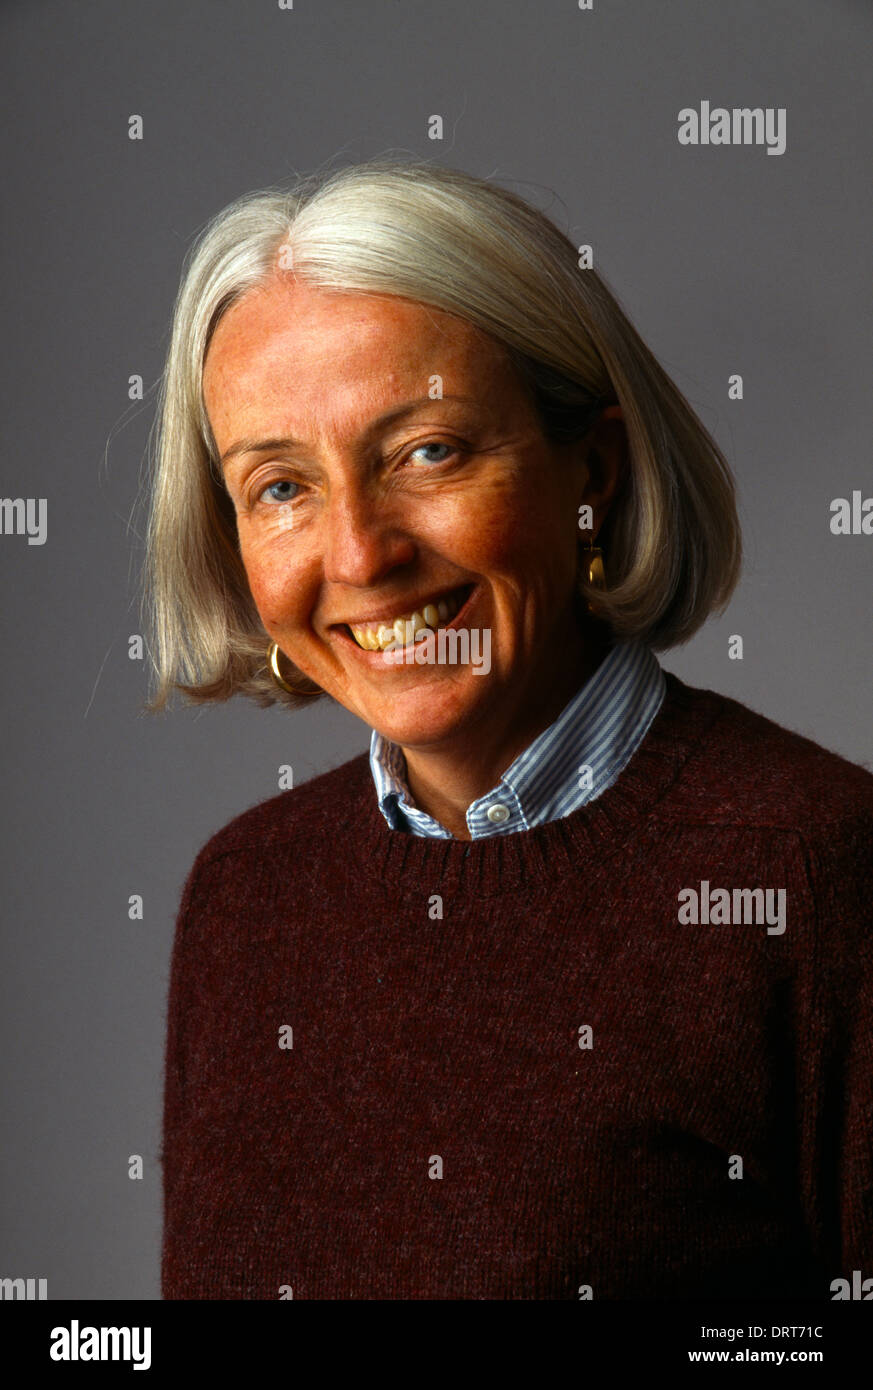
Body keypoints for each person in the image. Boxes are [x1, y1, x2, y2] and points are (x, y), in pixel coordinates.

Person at [147, 157, 872, 1300]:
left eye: (428, 451)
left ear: (596, 466)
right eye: (280, 487)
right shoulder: (245, 895)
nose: (360, 556)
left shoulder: (819, 871)